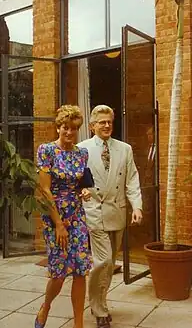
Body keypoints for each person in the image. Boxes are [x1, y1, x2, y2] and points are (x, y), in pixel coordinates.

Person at [78, 105, 143, 328]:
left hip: (118, 211)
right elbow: (74, 179)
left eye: (109, 122)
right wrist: (81, 190)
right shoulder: (81, 149)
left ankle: (101, 302)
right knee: (103, 261)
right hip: (94, 211)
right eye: (102, 122)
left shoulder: (124, 149)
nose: (106, 125)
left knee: (110, 263)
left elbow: (132, 179)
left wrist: (137, 207)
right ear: (92, 125)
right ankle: (99, 310)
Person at [35, 105, 92, 328]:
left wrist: (83, 191)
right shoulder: (46, 151)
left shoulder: (81, 153)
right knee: (58, 273)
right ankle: (46, 306)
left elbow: (81, 184)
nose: (69, 132)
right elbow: (45, 190)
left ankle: (79, 323)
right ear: (58, 127)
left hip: (77, 215)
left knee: (80, 269)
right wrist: (58, 224)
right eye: (65, 128)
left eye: (73, 129)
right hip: (54, 216)